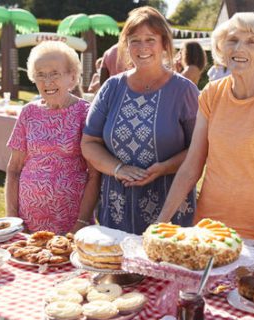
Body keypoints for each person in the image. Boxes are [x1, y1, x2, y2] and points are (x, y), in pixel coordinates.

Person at [157, 12, 254, 278]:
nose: (239, 49)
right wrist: (160, 224)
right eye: (233, 40)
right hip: (213, 231)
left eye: (251, 42)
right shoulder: (212, 93)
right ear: (221, 48)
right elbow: (192, 166)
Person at [81, 6, 198, 235]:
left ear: (164, 43)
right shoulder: (111, 88)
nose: (142, 47)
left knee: (163, 268)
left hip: (170, 213)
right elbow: (89, 142)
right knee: (114, 269)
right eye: (135, 40)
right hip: (115, 212)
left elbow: (198, 150)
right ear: (125, 45)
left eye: (150, 39)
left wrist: (163, 168)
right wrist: (118, 168)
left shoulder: (184, 91)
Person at [5, 41, 100, 234]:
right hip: (27, 222)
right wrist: (13, 219)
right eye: (40, 74)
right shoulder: (28, 113)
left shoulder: (86, 113)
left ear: (72, 78)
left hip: (71, 221)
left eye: (55, 73)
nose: (47, 81)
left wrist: (81, 223)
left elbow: (95, 174)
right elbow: (14, 169)